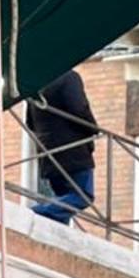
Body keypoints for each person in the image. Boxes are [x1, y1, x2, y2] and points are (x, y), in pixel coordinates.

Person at [26, 69, 97, 225]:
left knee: (62, 200)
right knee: (83, 195)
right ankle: (34, 212)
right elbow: (79, 109)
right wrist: (93, 128)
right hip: (74, 151)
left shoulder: (38, 84)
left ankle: (52, 225)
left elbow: (30, 122)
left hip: (49, 154)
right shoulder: (68, 77)